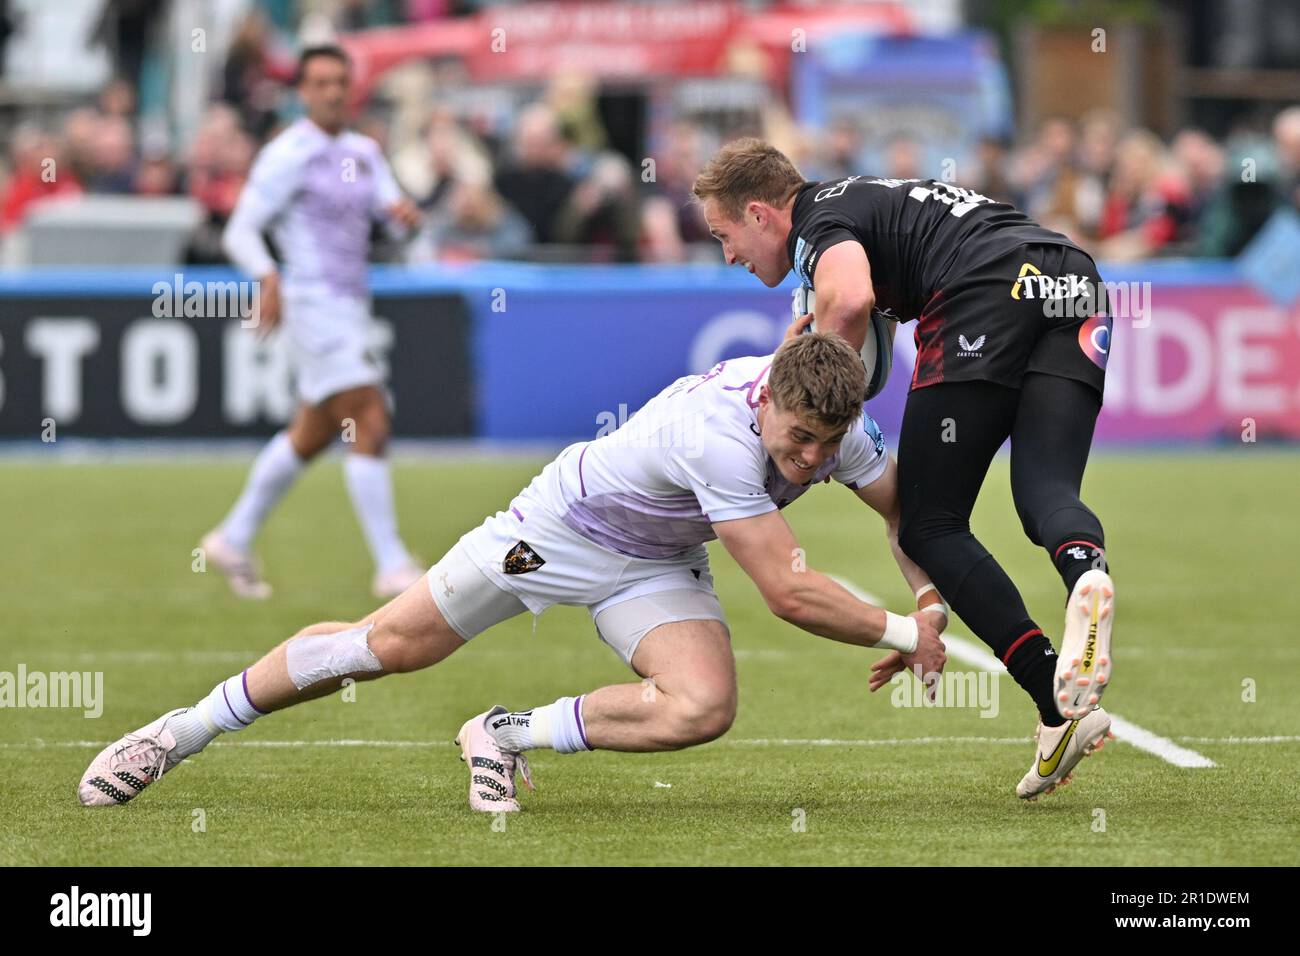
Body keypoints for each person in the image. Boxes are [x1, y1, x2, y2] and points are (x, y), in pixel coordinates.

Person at [78, 334, 946, 812]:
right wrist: (910, 636)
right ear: (765, 403)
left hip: (653, 559)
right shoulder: (717, 434)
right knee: (385, 646)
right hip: (557, 529)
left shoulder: (837, 428)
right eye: (800, 440)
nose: (810, 461)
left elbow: (905, 511)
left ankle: (501, 733)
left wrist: (927, 594)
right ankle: (178, 733)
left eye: (828, 447)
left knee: (702, 705)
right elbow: (787, 589)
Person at [693, 137, 1116, 800]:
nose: (730, 256)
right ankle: (1086, 578)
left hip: (983, 286)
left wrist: (803, 391)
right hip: (1070, 278)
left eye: (726, 235)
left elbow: (852, 298)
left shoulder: (816, 221)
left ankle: (1055, 702)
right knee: (1046, 493)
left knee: (930, 523)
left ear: (760, 212)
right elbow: (869, 310)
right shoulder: (860, 199)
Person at [204, 44, 424, 600]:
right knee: (371, 417)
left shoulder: (364, 152)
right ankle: (392, 564)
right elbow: (240, 230)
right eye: (320, 82)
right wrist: (267, 277)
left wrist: (406, 220)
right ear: (302, 91)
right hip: (312, 303)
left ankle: (233, 537)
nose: (331, 91)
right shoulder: (288, 153)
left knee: (314, 431)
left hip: (351, 302)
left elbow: (394, 221)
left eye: (338, 81)